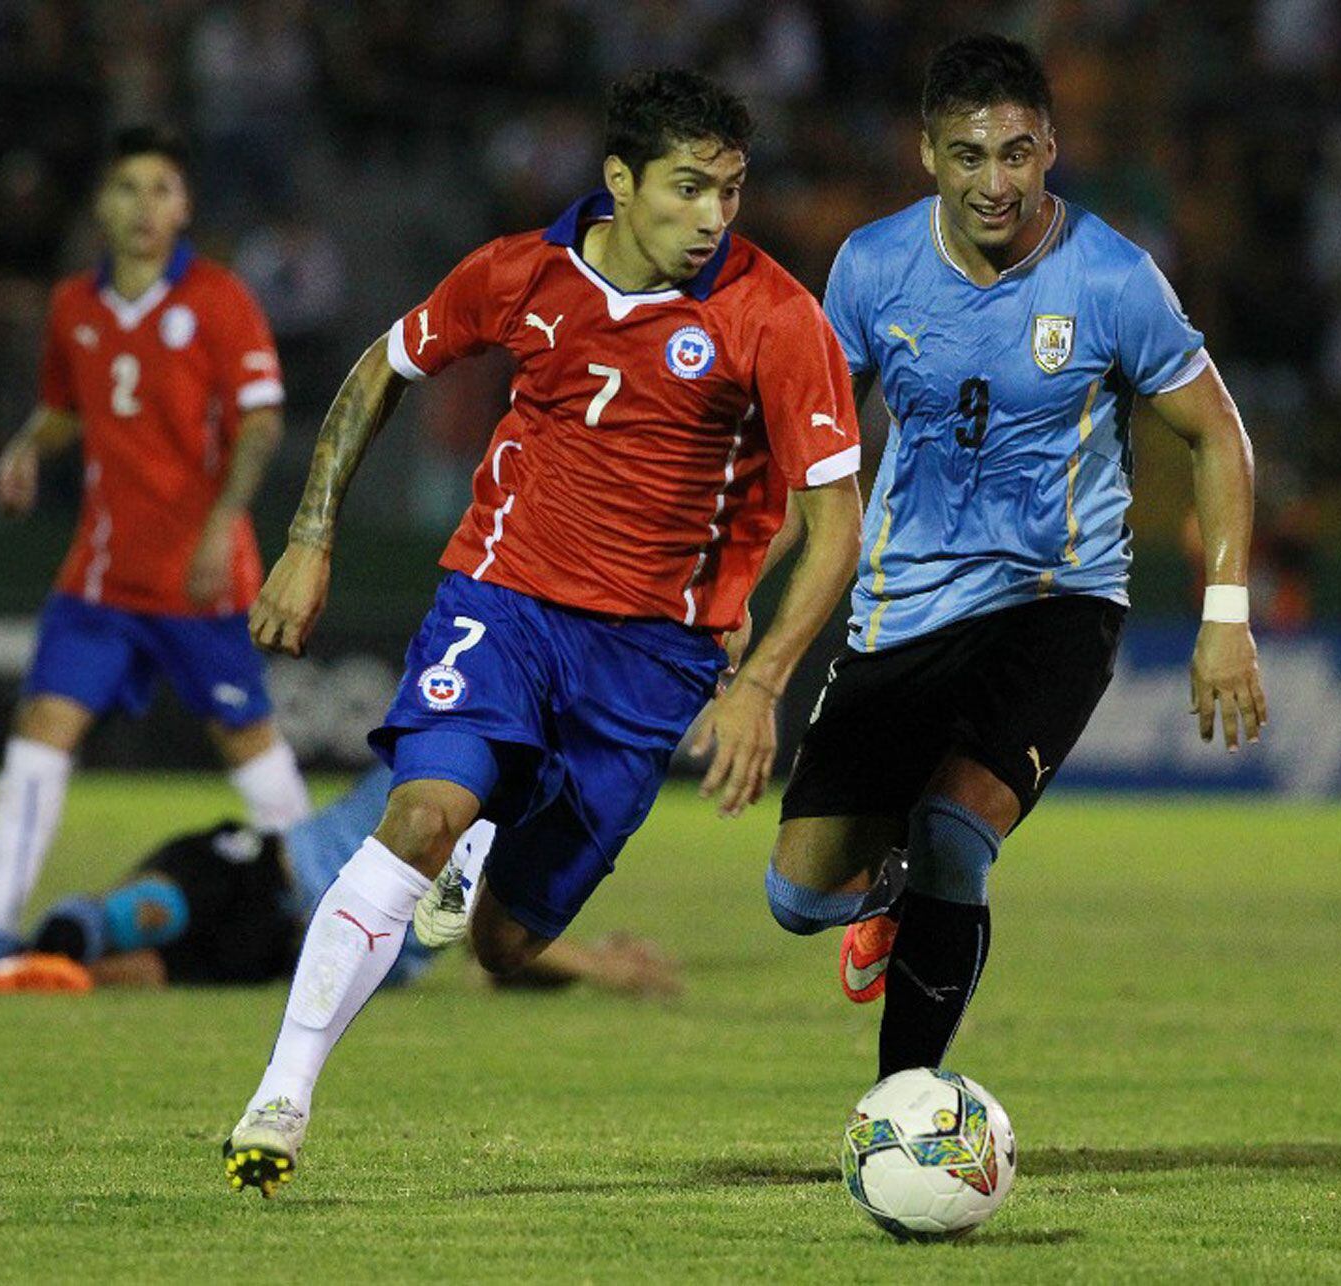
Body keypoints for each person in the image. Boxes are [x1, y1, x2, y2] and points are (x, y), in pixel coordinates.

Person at [221, 68, 865, 1198]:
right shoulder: (517, 274)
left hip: (655, 663)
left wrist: (760, 681)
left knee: (506, 947)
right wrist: (309, 535)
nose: (715, 215)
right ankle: (281, 1091)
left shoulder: (775, 316)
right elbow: (384, 366)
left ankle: (483, 858)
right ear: (619, 182)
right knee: (421, 812)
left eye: (730, 189)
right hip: (504, 599)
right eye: (687, 188)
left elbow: (835, 527)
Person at [764, 35, 1269, 1081]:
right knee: (798, 897)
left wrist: (1226, 612)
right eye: (969, 156)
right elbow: (816, 451)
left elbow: (1219, 432)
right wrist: (737, 586)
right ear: (926, 155)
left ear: (1050, 150)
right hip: (901, 609)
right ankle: (887, 893)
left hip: (1055, 604)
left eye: (1016, 153)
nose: (995, 183)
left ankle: (902, 1104)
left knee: (956, 831)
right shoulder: (869, 267)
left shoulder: (1113, 277)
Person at [0, 126, 309, 977]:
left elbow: (260, 427)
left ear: (184, 206)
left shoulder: (221, 301)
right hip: (101, 577)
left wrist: (221, 526)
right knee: (43, 727)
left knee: (248, 744)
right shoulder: (73, 308)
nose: (144, 206)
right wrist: (23, 449)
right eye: (128, 188)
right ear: (102, 206)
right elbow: (63, 407)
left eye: (161, 189)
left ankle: (324, 910)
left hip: (201, 580)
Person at [0, 769, 681, 999]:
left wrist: (594, 961)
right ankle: (52, 939)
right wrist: (605, 968)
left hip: (283, 958)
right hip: (258, 871)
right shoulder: (450, 745)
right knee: (130, 919)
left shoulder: (522, 844)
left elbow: (496, 949)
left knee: (77, 975)